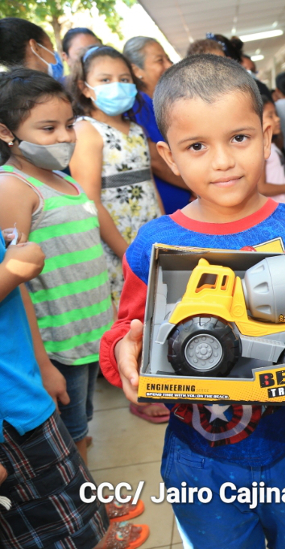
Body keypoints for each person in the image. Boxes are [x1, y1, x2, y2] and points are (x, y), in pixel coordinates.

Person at [98, 54, 285, 549]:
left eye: (239, 138)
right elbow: (129, 326)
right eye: (197, 146)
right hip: (198, 456)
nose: (222, 161)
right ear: (168, 156)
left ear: (267, 136)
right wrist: (124, 350)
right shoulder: (153, 246)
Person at [0, 230, 142, 549]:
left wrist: (41, 365)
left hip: (24, 387)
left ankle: (93, 512)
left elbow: (18, 292)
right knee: (65, 532)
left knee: (77, 517)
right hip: (10, 413)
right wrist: (10, 270)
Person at [0, 68, 114, 465]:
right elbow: (15, 283)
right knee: (72, 433)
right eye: (48, 128)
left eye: (69, 125)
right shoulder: (13, 187)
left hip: (88, 331)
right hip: (58, 342)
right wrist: (43, 363)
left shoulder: (66, 181)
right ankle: (87, 501)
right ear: (6, 132)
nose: (65, 137)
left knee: (83, 420)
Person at [68, 46, 166, 424]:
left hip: (146, 231)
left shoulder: (137, 130)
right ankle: (137, 389)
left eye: (124, 79)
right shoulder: (86, 131)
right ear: (85, 87)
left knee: (156, 307)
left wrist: (163, 227)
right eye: (105, 79)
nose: (117, 86)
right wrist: (125, 250)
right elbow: (90, 200)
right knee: (130, 315)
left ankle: (162, 377)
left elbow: (149, 183)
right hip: (116, 240)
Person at [123, 36, 192, 215]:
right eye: (160, 60)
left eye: (168, 59)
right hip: (171, 206)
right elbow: (156, 160)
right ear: (136, 70)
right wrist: (197, 187)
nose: (168, 65)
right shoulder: (138, 104)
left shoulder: (159, 103)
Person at [257, 80, 285, 208]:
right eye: (270, 116)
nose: (277, 118)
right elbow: (262, 188)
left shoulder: (272, 144)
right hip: (276, 209)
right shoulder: (260, 149)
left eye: (276, 114)